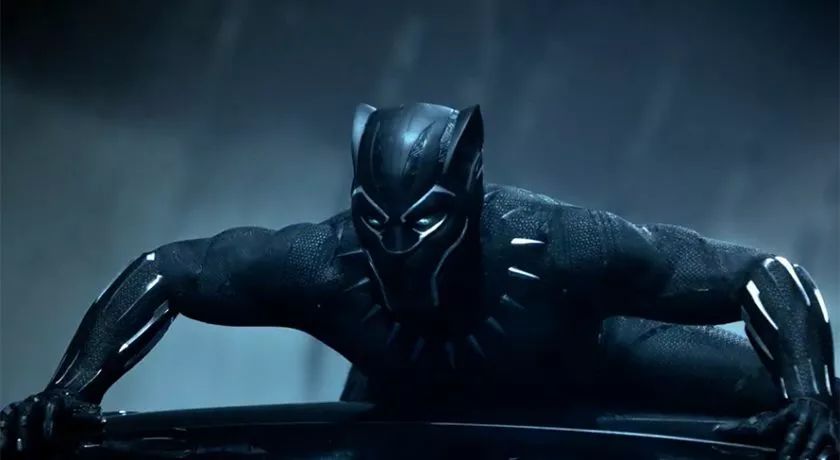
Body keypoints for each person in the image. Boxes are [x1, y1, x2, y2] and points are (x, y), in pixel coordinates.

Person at [1, 103, 837, 459]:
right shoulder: (323, 263)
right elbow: (168, 273)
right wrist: (70, 390)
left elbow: (764, 274)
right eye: (379, 222)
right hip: (404, 398)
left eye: (424, 223)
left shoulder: (561, 244)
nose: (399, 248)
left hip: (599, 363)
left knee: (789, 405)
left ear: (467, 201)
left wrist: (808, 393)